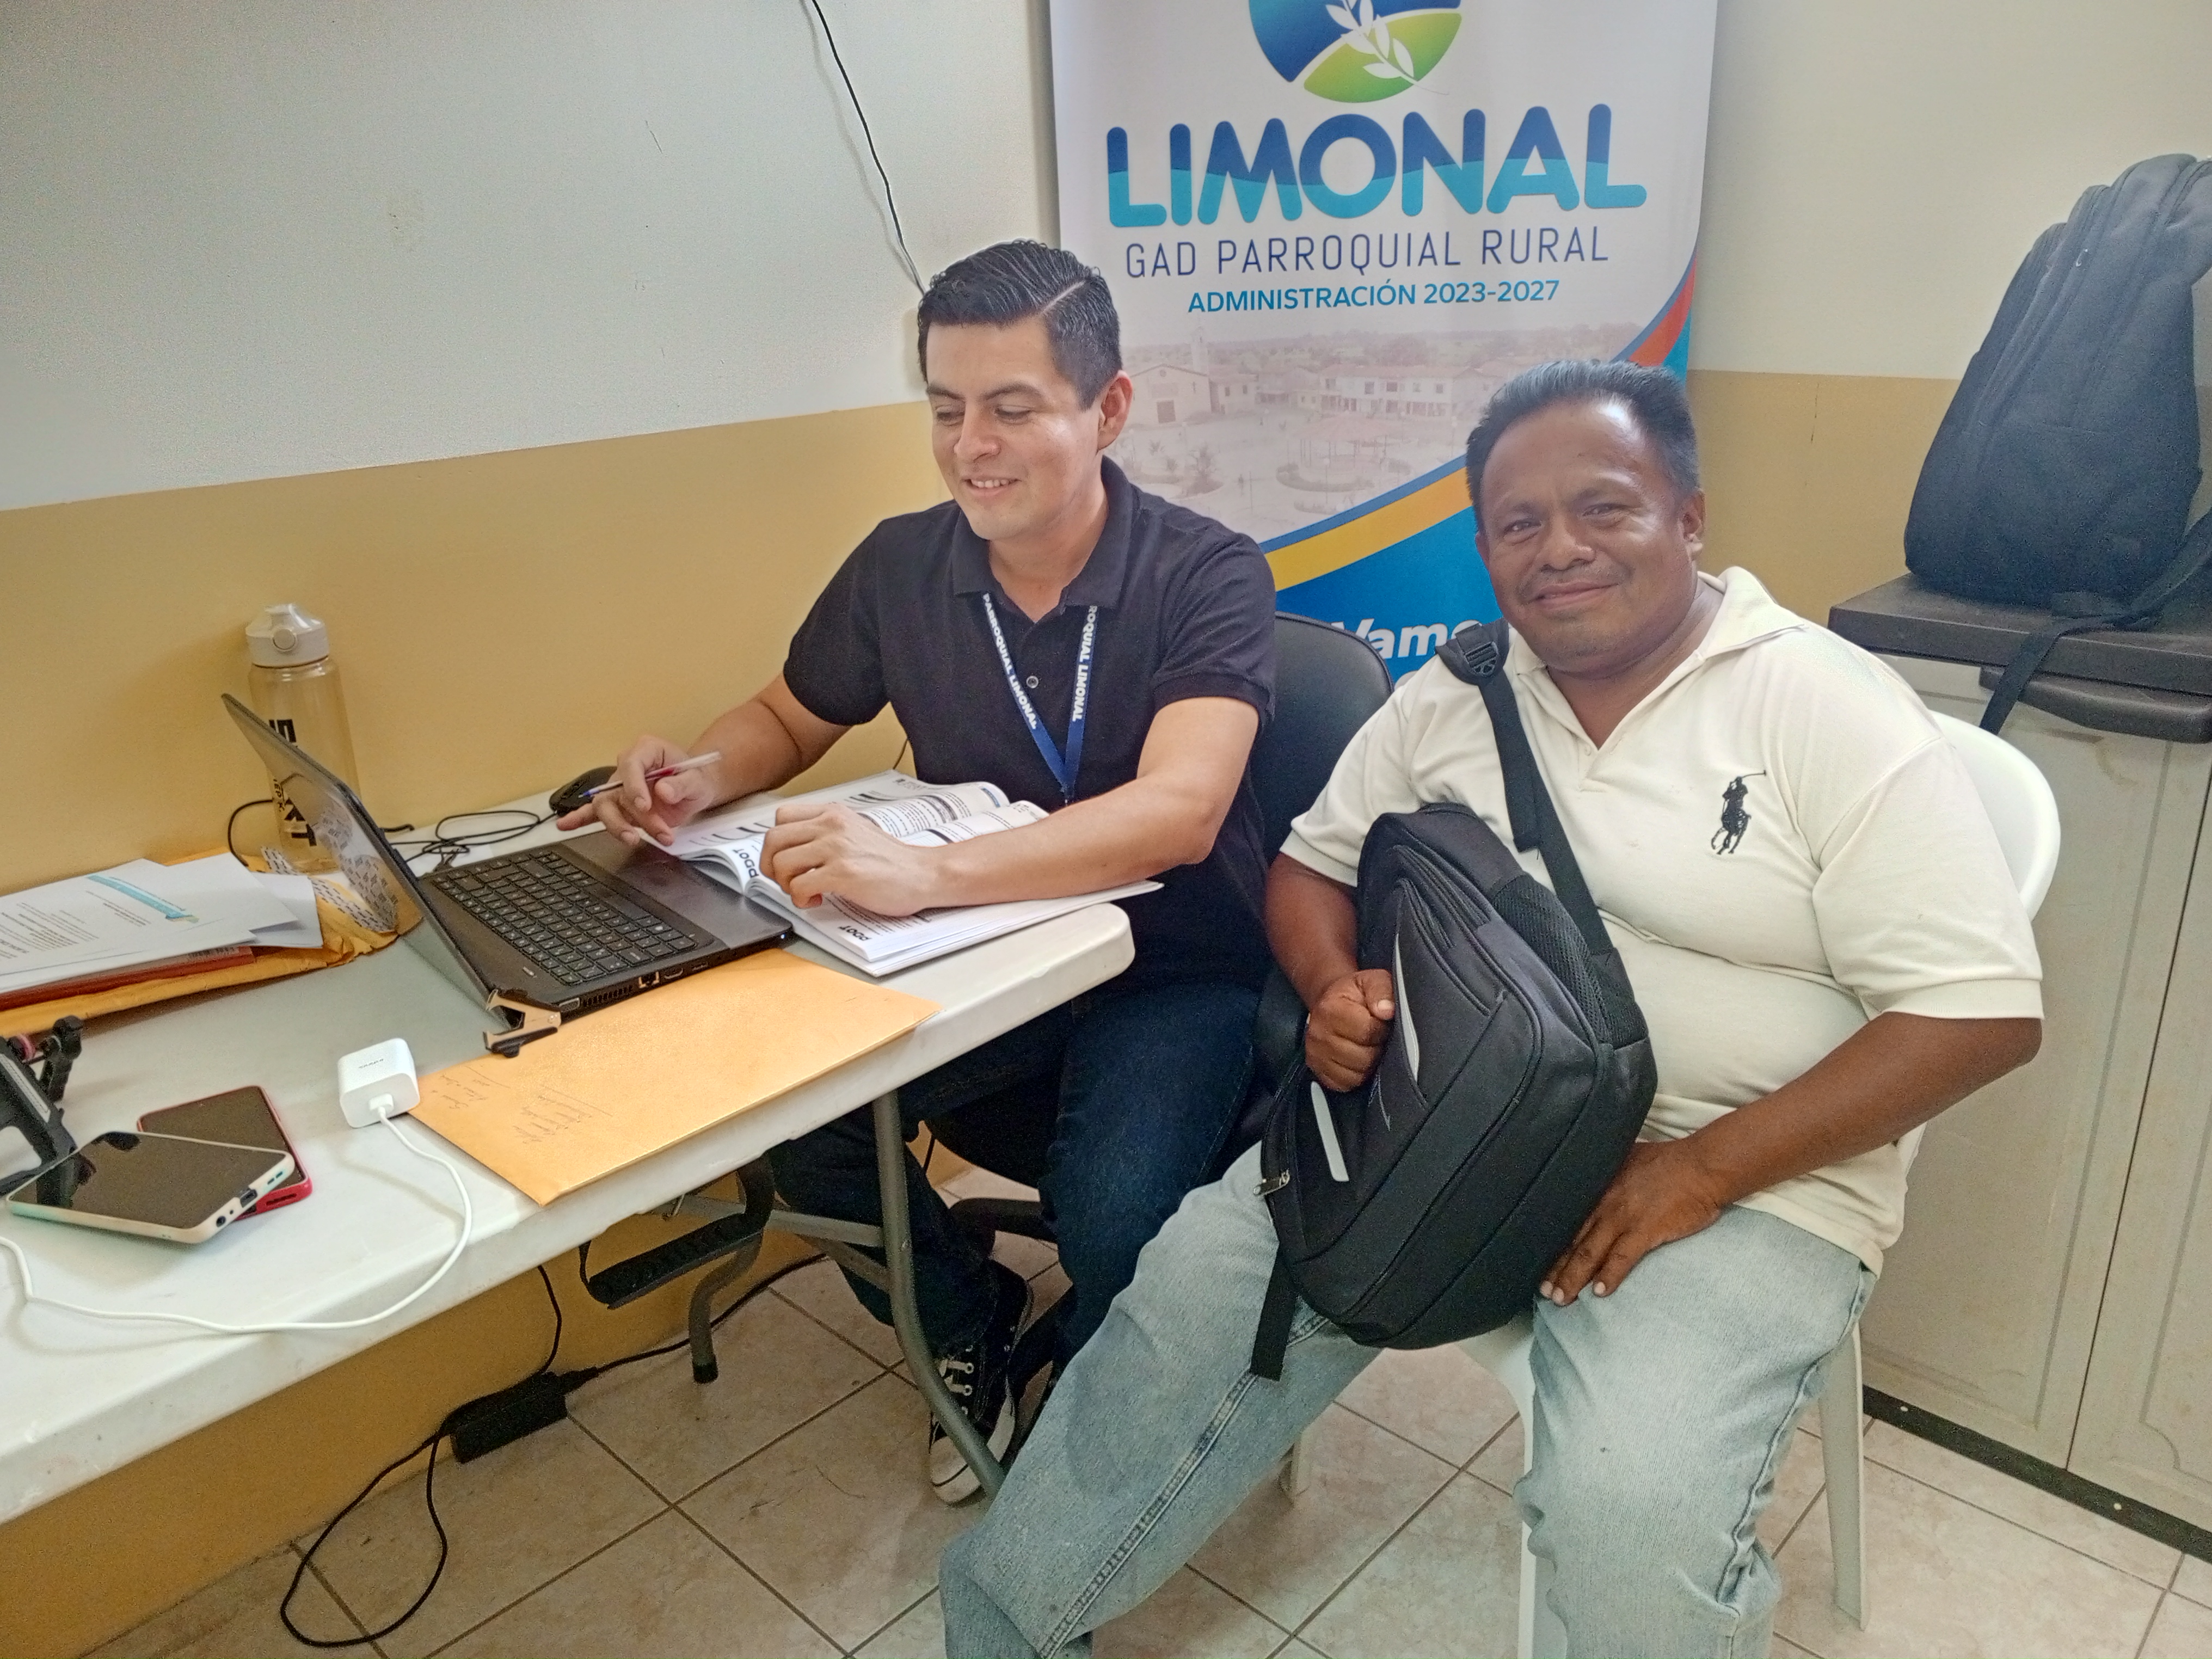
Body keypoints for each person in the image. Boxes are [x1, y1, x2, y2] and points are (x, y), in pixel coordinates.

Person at [938, 359, 2044, 1655]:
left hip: (1737, 1175)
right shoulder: (1458, 692)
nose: (1558, 547)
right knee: (1177, 1316)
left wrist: (1697, 1174)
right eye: (1518, 523)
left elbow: (1976, 1014)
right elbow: (1310, 868)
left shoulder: (1821, 705)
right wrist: (1332, 986)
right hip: (1448, 1113)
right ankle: (1004, 1623)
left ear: (1689, 517)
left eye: (1604, 507)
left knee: (1630, 1505)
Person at [562, 241, 1276, 1503]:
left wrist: (928, 876)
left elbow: (1179, 811)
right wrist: (701, 776)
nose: (970, 449)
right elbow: (787, 717)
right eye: (946, 411)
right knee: (795, 1117)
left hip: (1169, 970)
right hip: (974, 966)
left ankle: (1111, 1383)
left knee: (1119, 1224)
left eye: (1012, 409)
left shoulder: (1204, 570)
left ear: (1108, 408)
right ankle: (966, 1314)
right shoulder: (902, 565)